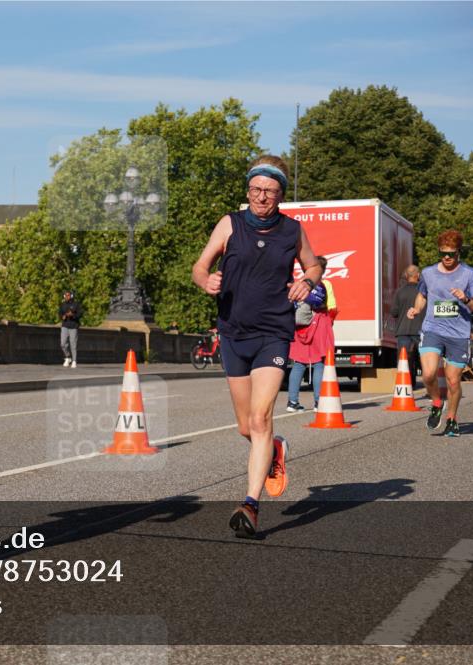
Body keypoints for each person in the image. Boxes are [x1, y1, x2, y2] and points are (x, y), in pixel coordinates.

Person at [192, 154, 322, 538]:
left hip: (273, 332)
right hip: (233, 332)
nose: (261, 197)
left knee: (262, 417)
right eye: (255, 189)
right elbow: (200, 266)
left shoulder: (292, 231)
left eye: (269, 191)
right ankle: (274, 451)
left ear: (280, 194)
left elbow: (314, 265)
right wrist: (205, 281)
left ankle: (250, 505)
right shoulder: (229, 224)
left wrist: (308, 282)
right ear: (248, 189)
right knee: (246, 427)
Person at [407, 230, 473, 437]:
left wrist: (466, 299)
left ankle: (451, 418)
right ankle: (436, 402)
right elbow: (422, 296)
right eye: (443, 253)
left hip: (459, 334)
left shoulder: (470, 274)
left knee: (453, 380)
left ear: (458, 252)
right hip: (432, 329)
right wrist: (416, 309)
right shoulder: (428, 273)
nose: (447, 258)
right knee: (429, 373)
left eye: (451, 253)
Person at [286, 255, 338, 412]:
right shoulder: (325, 284)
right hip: (319, 324)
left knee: (298, 363)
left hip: (300, 326)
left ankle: (292, 402)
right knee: (319, 363)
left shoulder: (298, 284)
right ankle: (318, 402)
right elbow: (332, 307)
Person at [390, 264, 424, 387]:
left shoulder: (399, 292)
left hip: (403, 331)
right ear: (418, 276)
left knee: (404, 361)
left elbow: (394, 312)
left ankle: (405, 386)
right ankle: (430, 387)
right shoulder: (423, 291)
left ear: (405, 276)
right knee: (424, 361)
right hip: (420, 330)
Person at [58, 290, 81, 368]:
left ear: (71, 296)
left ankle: (74, 361)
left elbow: (79, 314)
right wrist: (62, 316)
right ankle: (68, 357)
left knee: (73, 344)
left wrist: (72, 315)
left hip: (73, 326)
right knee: (63, 344)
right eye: (65, 295)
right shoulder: (62, 304)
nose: (66, 297)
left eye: (68, 295)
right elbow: (60, 314)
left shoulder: (76, 304)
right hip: (65, 325)